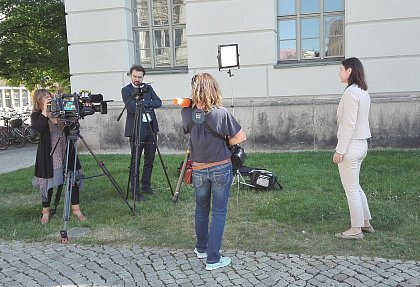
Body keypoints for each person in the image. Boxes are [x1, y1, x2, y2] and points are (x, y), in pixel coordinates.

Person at [181, 73, 246, 270]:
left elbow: (192, 119)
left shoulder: (187, 112)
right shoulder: (221, 113)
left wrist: (191, 102)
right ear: (213, 89)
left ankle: (201, 248)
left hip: (198, 168)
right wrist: (226, 142)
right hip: (220, 167)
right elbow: (240, 137)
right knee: (218, 212)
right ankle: (213, 258)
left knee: (201, 208)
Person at [333, 57, 374, 240]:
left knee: (351, 188)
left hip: (351, 146)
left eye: (341, 69)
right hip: (361, 144)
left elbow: (348, 124)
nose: (339, 72)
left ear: (349, 71)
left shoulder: (350, 93)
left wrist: (340, 150)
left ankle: (356, 228)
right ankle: (365, 222)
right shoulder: (363, 91)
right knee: (356, 186)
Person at [31, 89, 85, 224]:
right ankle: (45, 211)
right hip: (49, 153)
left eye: (50, 96)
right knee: (48, 183)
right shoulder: (37, 115)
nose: (49, 98)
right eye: (45, 97)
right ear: (39, 101)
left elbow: (73, 127)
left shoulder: (61, 112)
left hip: (66, 149)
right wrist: (45, 110)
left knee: (72, 178)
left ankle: (76, 209)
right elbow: (38, 127)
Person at [122, 65, 162, 201]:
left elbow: (158, 102)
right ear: (131, 76)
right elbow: (133, 108)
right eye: (135, 76)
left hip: (150, 127)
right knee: (136, 160)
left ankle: (146, 186)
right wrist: (147, 103)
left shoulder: (148, 88)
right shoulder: (126, 90)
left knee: (149, 159)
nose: (137, 79)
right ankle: (135, 191)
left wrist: (144, 102)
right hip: (136, 128)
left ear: (143, 77)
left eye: (140, 77)